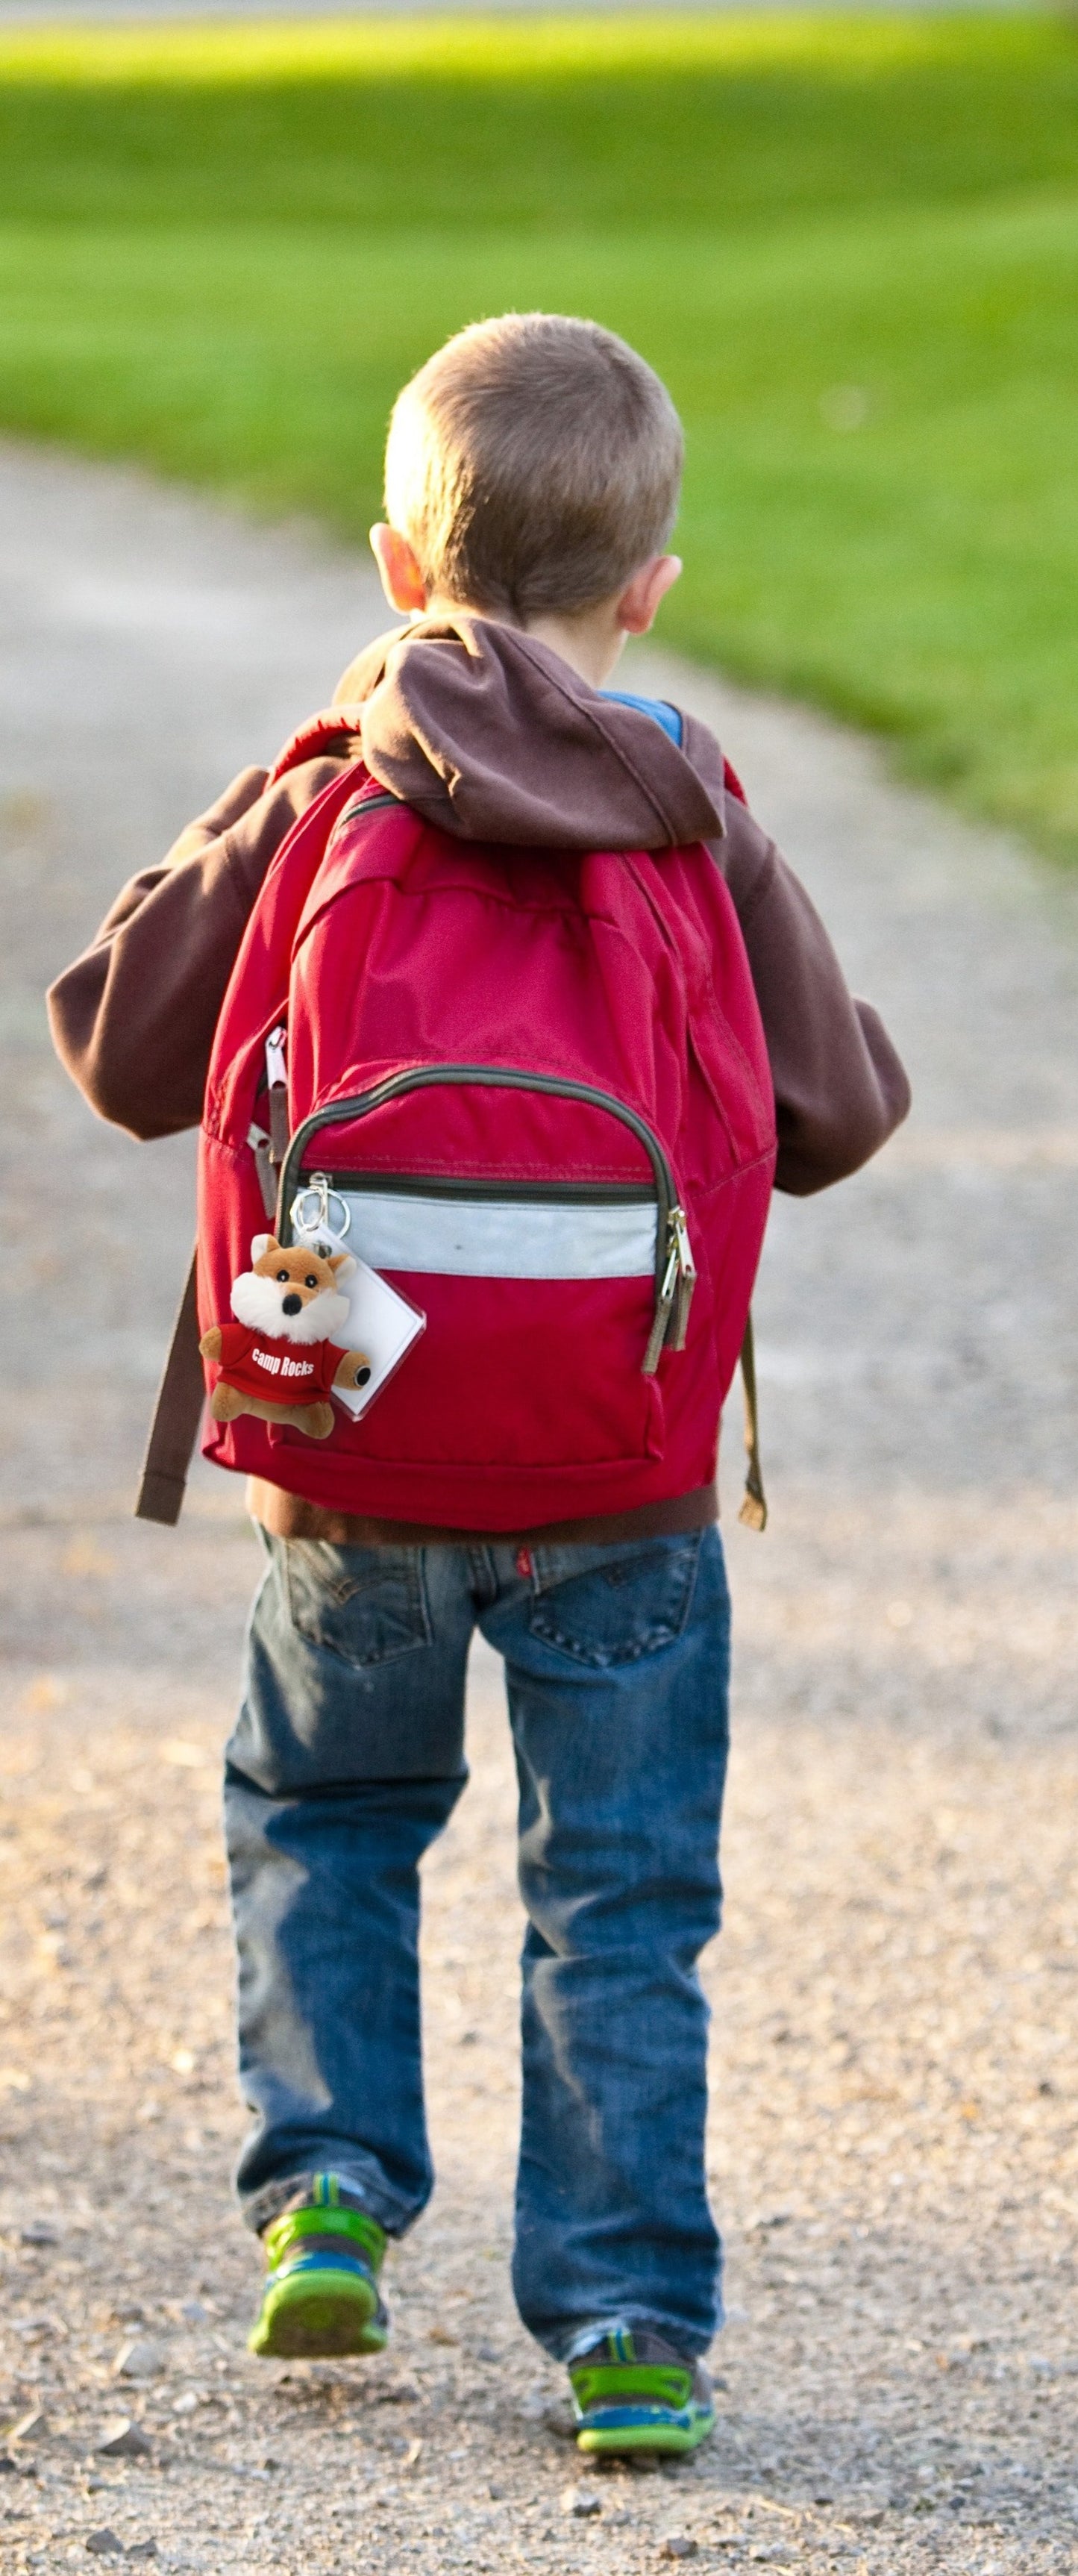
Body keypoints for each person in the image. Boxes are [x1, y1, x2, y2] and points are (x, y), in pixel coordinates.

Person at [48, 313, 909, 2460]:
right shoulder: (691, 801)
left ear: (394, 567)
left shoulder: (336, 780)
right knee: (618, 1899)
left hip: (351, 1450)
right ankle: (627, 2325)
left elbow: (119, 1042)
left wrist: (282, 779)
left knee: (326, 1817)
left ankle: (330, 2193)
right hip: (625, 1475)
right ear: (652, 589)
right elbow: (840, 1115)